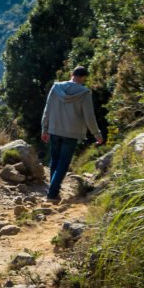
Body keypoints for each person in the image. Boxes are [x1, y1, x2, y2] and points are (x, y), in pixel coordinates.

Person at [40, 65, 104, 202]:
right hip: (72, 133)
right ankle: (52, 194)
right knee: (63, 163)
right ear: (83, 77)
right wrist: (96, 133)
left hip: (54, 130)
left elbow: (47, 109)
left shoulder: (56, 87)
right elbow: (89, 116)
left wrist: (44, 129)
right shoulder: (85, 93)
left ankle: (53, 191)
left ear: (71, 74)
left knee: (55, 161)